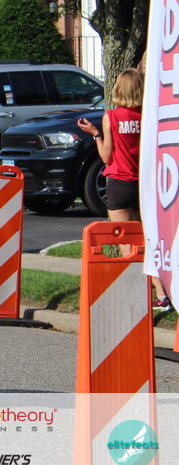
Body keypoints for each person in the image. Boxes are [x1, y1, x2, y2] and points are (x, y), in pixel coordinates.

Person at [78, 69, 170, 311]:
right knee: (146, 240)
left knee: (126, 242)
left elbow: (106, 157)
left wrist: (95, 135)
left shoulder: (112, 117)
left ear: (119, 89)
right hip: (145, 184)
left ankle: (137, 293)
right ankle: (162, 294)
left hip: (120, 182)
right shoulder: (148, 116)